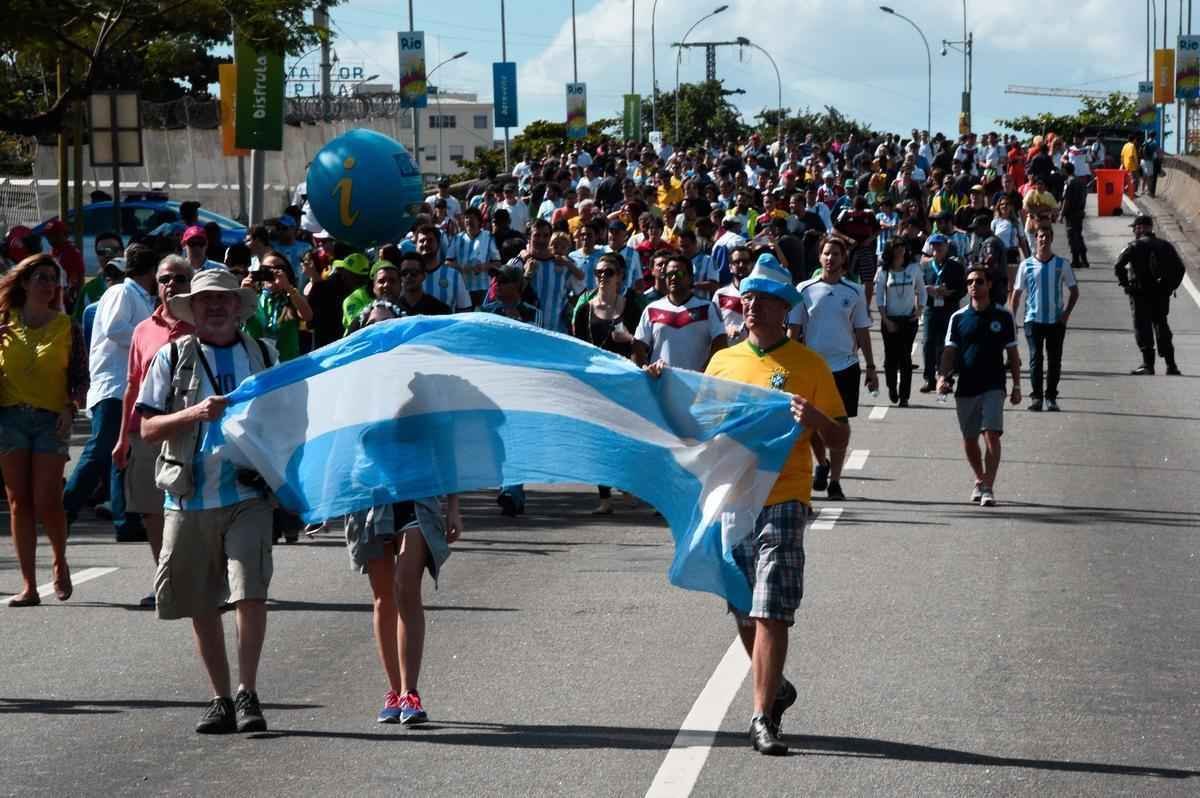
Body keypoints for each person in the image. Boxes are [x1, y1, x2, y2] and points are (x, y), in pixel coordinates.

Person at [699, 253, 849, 755]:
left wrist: (816, 421)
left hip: (785, 496)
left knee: (772, 609)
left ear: (785, 308)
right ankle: (776, 685)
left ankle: (762, 717)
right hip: (735, 498)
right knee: (745, 609)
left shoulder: (809, 365)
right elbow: (697, 422)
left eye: (764, 298)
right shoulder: (723, 361)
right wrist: (659, 381)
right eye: (748, 297)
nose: (753, 305)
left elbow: (839, 435)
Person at [136, 268, 278, 734]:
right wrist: (194, 413)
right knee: (202, 602)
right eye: (205, 300)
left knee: (249, 592)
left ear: (238, 307)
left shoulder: (263, 354)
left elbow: (289, 418)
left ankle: (248, 692)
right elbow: (147, 428)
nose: (215, 307)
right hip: (189, 495)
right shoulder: (172, 356)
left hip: (248, 493)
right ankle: (221, 698)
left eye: (223, 299)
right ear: (192, 310)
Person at [343, 301, 462, 726]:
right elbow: (334, 444)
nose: (383, 334)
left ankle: (411, 692)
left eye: (390, 327)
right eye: (374, 327)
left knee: (406, 585)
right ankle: (393, 691)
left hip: (417, 495)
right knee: (383, 597)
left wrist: (453, 506)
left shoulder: (424, 384)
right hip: (369, 496)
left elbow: (445, 447)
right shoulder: (351, 383)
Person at [0, 255, 88, 606]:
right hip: (9, 419)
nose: (49, 285)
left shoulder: (68, 327)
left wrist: (71, 408)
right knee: (18, 502)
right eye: (41, 278)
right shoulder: (4, 322)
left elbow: (80, 378)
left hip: (51, 420)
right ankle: (29, 586)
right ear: (24, 282)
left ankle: (59, 559)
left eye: (53, 279)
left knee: (47, 500)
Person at [113, 254, 194, 607]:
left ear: (191, 283)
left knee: (192, 508)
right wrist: (122, 438)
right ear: (155, 284)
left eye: (179, 278)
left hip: (192, 430)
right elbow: (132, 385)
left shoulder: (203, 325)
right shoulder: (143, 330)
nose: (171, 284)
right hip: (147, 430)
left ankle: (205, 579)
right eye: (164, 279)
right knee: (151, 509)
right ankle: (167, 580)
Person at [63, 243, 158, 541]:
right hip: (113, 387)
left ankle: (125, 521)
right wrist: (151, 341)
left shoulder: (138, 296)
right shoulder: (122, 292)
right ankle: (63, 510)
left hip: (125, 388)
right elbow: (116, 329)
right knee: (99, 451)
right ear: (152, 271)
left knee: (121, 454)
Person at [788, 236, 877, 500]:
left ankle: (835, 481)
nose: (830, 258)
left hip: (845, 366)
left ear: (843, 258)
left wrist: (871, 367)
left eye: (836, 254)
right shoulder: (804, 289)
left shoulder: (854, 291)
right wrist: (789, 363)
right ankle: (821, 463)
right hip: (812, 368)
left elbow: (862, 331)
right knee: (810, 423)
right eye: (826, 253)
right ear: (819, 257)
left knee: (839, 425)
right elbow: (794, 330)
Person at [938, 266, 1021, 508]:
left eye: (980, 281)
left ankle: (988, 487)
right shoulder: (958, 317)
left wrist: (1017, 385)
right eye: (970, 282)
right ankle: (979, 477)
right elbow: (949, 351)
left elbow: (1013, 353)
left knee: (991, 434)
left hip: (994, 384)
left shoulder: (1003, 316)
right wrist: (942, 377)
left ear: (989, 285)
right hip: (967, 384)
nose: (974, 285)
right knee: (970, 438)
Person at [569, 252, 642, 515]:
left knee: (625, 435)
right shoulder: (585, 309)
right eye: (598, 272)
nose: (602, 276)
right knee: (599, 439)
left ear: (619, 276)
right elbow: (577, 349)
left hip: (625, 381)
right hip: (596, 382)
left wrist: (629, 338)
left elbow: (644, 342)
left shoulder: (632, 306)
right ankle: (605, 498)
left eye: (608, 272)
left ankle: (627, 482)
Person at [1009, 225, 1079, 412]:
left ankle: (1051, 397)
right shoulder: (1026, 265)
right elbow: (1016, 294)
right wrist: (1012, 319)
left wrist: (1065, 315)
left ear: (1051, 239)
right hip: (1033, 320)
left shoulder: (1061, 264)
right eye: (1040, 236)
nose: (1043, 240)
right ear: (1036, 238)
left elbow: (1074, 291)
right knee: (1035, 359)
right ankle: (1037, 398)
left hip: (1056, 321)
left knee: (1054, 361)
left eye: (1047, 236)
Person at [1114, 215, 1185, 375]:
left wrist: (1125, 284)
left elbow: (1118, 265)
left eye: (1135, 228)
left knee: (1142, 326)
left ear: (1140, 228)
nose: (1134, 231)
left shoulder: (1134, 246)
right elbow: (1180, 268)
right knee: (1162, 325)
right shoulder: (1165, 245)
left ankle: (1148, 364)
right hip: (1161, 294)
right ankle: (1171, 365)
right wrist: (1170, 287)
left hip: (1139, 293)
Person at [633, 254, 727, 372]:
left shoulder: (707, 308)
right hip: (660, 381)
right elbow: (638, 346)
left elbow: (721, 342)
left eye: (679, 274)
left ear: (691, 278)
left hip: (696, 381)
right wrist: (646, 368)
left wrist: (706, 370)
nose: (673, 278)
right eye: (669, 274)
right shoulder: (652, 309)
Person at [874, 239, 927, 406]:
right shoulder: (883, 271)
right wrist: (885, 319)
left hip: (908, 319)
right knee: (891, 358)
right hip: (890, 319)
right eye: (896, 247)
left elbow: (922, 291)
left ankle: (904, 396)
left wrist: (919, 311)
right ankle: (892, 387)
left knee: (905, 358)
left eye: (902, 247)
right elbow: (879, 297)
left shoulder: (914, 268)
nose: (900, 250)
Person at [243, 251, 314, 363]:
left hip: (287, 366)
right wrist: (243, 294)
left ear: (287, 273)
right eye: (266, 269)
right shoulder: (253, 297)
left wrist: (288, 288)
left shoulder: (292, 297)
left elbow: (307, 316)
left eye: (279, 269)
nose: (272, 273)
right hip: (255, 364)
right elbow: (233, 323)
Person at [918, 233, 967, 394]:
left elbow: (963, 289)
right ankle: (929, 379)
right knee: (928, 343)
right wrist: (929, 290)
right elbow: (918, 287)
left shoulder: (956, 267)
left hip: (949, 309)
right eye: (934, 246)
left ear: (946, 247)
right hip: (931, 309)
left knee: (948, 344)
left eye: (940, 245)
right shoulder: (925, 266)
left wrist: (948, 293)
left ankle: (946, 378)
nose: (936, 248)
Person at [452, 207, 501, 307]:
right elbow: (448, 262)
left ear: (479, 221)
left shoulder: (488, 237)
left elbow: (497, 263)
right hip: (462, 288)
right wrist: (461, 267)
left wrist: (483, 266)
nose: (468, 220)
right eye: (466, 218)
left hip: (483, 289)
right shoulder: (457, 238)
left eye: (472, 218)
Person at [714, 246, 754, 344]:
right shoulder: (720, 294)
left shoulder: (761, 295)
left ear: (752, 265)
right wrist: (726, 330)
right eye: (737, 262)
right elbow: (713, 326)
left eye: (745, 261)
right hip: (728, 349)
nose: (741, 265)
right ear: (730, 267)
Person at [1059, 163, 1089, 270]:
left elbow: (1066, 200)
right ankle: (1084, 259)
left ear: (1065, 170)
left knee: (1072, 237)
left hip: (1071, 213)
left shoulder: (1069, 182)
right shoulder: (1081, 182)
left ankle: (1076, 260)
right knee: (1079, 236)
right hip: (1080, 211)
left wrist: (1061, 214)